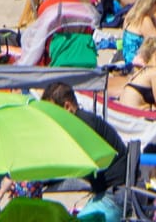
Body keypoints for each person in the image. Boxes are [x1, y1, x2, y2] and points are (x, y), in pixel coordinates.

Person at [41, 83, 129, 222]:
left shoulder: (84, 126)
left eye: (52, 112)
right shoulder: (83, 122)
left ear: (67, 107)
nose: (50, 118)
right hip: (112, 191)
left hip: (117, 194)